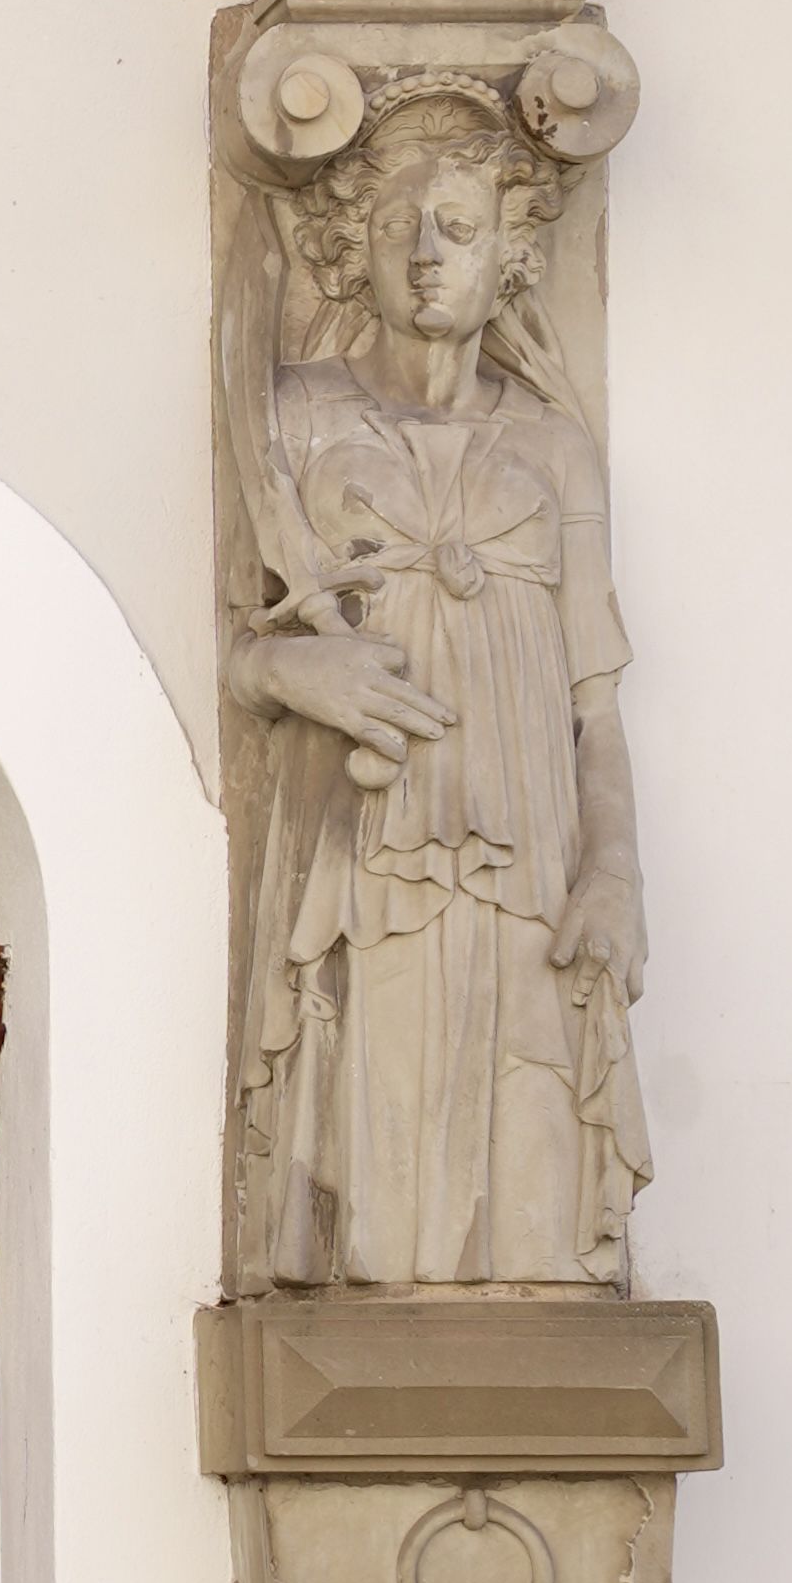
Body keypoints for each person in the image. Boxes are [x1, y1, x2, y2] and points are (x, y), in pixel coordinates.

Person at [230, 82, 647, 1287]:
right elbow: (239, 640)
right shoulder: (296, 419)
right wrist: (284, 666)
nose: (422, 254)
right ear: (351, 251)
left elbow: (594, 703)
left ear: (508, 256)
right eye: (393, 227)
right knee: (379, 1131)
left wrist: (613, 871)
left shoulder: (552, 446)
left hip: (527, 842)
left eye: (456, 230)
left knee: (529, 1142)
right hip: (372, 837)